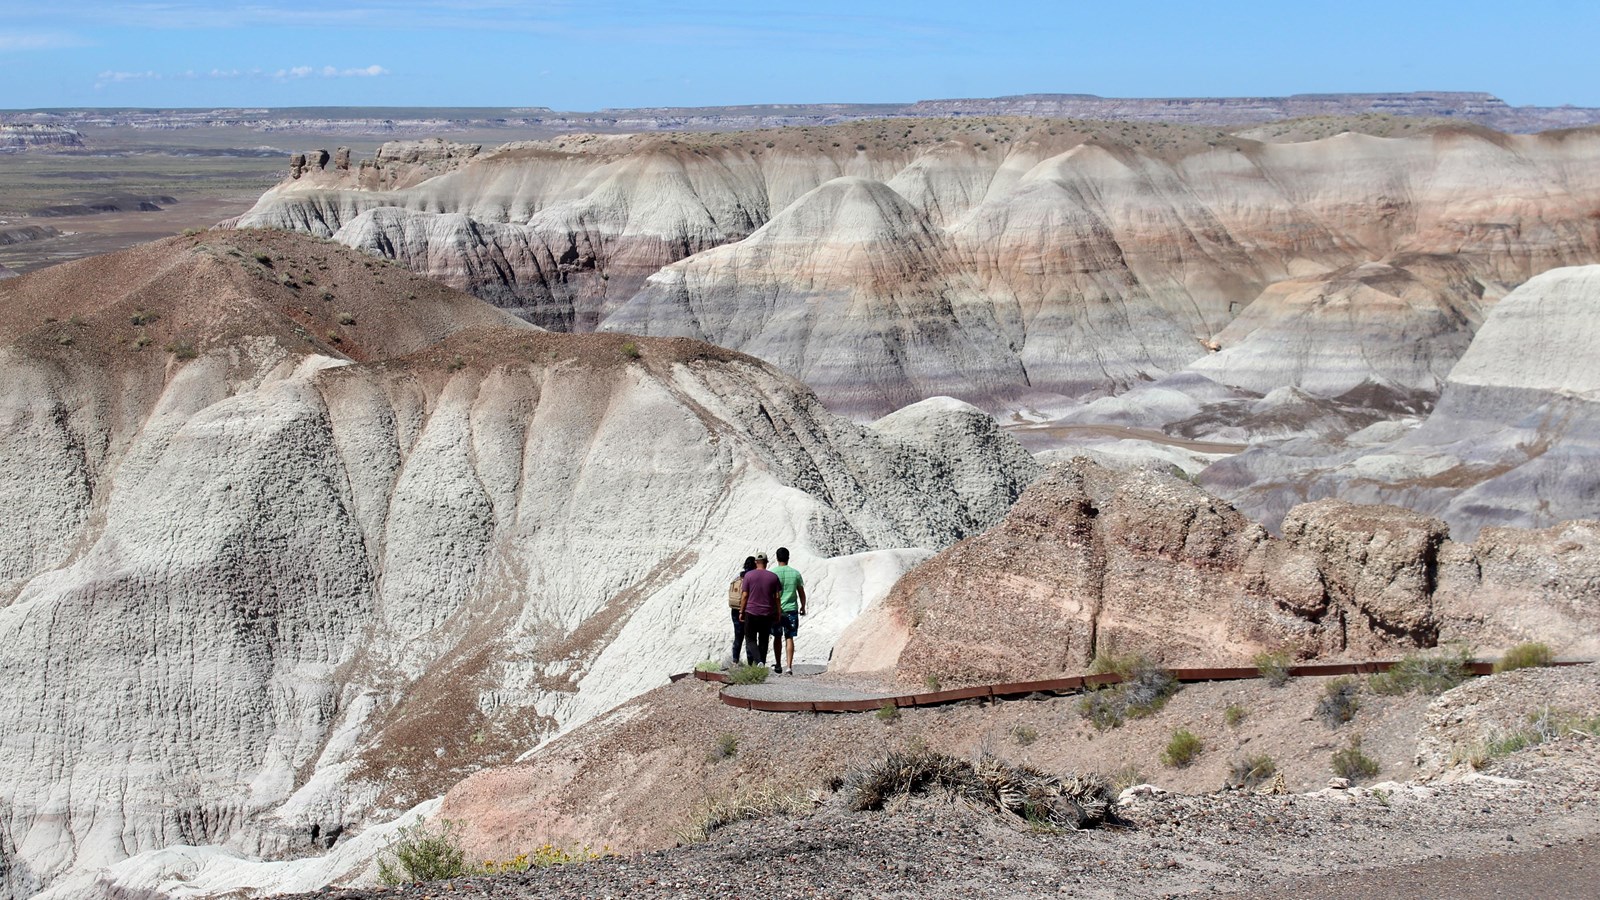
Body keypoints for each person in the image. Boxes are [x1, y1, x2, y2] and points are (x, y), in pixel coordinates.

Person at [738, 552, 781, 668]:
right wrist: (778, 612)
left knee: (750, 639)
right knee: (763, 639)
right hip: (767, 613)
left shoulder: (749, 576)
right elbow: (777, 597)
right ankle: (761, 662)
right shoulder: (773, 577)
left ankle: (759, 662)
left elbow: (745, 595)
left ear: (756, 562)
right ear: (766, 562)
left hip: (751, 612)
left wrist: (741, 611)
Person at [768, 546, 807, 675]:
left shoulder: (772, 573)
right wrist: (803, 606)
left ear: (777, 558)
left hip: (776, 610)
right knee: (789, 637)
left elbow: (770, 593)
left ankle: (778, 664)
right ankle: (789, 666)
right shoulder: (795, 573)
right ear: (788, 558)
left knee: (777, 637)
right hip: (791, 610)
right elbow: (801, 592)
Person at [727, 556, 756, 665]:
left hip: (735, 609)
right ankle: (750, 663)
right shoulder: (753, 577)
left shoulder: (737, 576)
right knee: (750, 636)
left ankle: (735, 660)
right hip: (748, 609)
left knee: (738, 636)